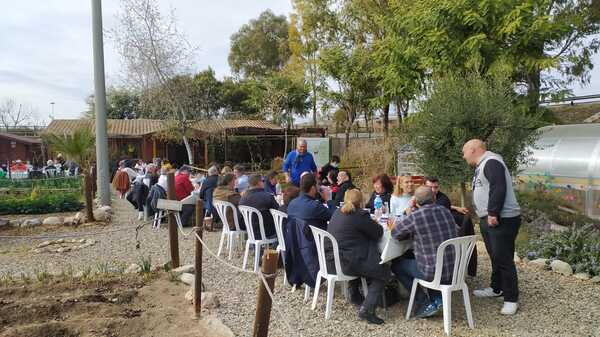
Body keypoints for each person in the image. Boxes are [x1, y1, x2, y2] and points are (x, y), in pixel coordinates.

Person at [463, 139, 521, 315]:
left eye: (464, 152)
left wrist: (493, 213)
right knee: (495, 256)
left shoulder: (492, 162)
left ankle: (511, 299)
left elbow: (499, 187)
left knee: (504, 259)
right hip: (489, 218)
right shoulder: (483, 165)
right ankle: (497, 288)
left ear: (473, 150)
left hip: (501, 219)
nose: (463, 156)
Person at [390, 186, 458, 318]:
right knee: (428, 259)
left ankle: (424, 302)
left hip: (433, 271)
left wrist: (408, 213)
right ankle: (437, 298)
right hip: (453, 269)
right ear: (434, 198)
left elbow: (395, 234)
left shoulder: (416, 216)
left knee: (397, 266)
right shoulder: (445, 210)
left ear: (415, 201)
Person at [327, 189, 390, 325]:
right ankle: (367, 309)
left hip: (332, 260)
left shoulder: (337, 212)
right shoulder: (360, 215)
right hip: (348, 263)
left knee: (359, 252)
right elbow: (378, 233)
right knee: (384, 271)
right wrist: (374, 223)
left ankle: (355, 293)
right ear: (361, 201)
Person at [285, 173, 334, 288]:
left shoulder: (292, 203)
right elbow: (334, 216)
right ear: (312, 188)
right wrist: (329, 199)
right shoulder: (315, 206)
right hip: (315, 247)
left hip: (297, 246)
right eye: (317, 186)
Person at [239, 174, 280, 239]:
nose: (264, 182)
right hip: (267, 232)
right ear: (259, 183)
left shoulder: (243, 197)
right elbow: (278, 211)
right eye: (263, 181)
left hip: (250, 230)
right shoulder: (267, 196)